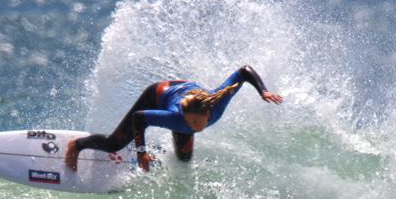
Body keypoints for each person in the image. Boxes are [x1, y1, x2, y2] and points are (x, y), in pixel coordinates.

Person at [65, 65, 283, 172]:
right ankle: (77, 146)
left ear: (208, 114)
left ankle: (155, 155)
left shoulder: (215, 104)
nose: (193, 128)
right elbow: (139, 118)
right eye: (189, 123)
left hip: (191, 98)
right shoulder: (177, 118)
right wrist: (142, 152)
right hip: (158, 95)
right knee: (115, 143)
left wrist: (262, 91)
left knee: (184, 159)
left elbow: (244, 71)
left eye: (196, 124)